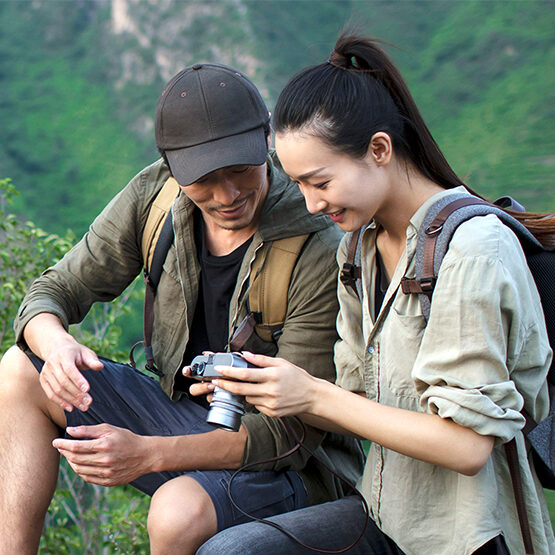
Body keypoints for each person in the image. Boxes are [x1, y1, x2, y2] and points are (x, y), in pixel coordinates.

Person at [192, 35, 555, 554]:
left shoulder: (474, 248)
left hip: (469, 535)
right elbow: (357, 402)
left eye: (320, 182)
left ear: (379, 149)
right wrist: (259, 385)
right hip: (388, 514)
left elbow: (468, 445)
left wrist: (315, 394)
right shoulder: (358, 251)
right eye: (299, 185)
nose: (313, 205)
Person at [0, 62, 365, 554]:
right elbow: (51, 293)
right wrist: (57, 344)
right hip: (185, 417)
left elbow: (288, 434)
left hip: (287, 464)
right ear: (173, 168)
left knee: (176, 511)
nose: (228, 194)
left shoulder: (313, 242)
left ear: (266, 142)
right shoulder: (155, 198)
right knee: (21, 368)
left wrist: (148, 454)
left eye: (241, 168)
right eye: (205, 179)